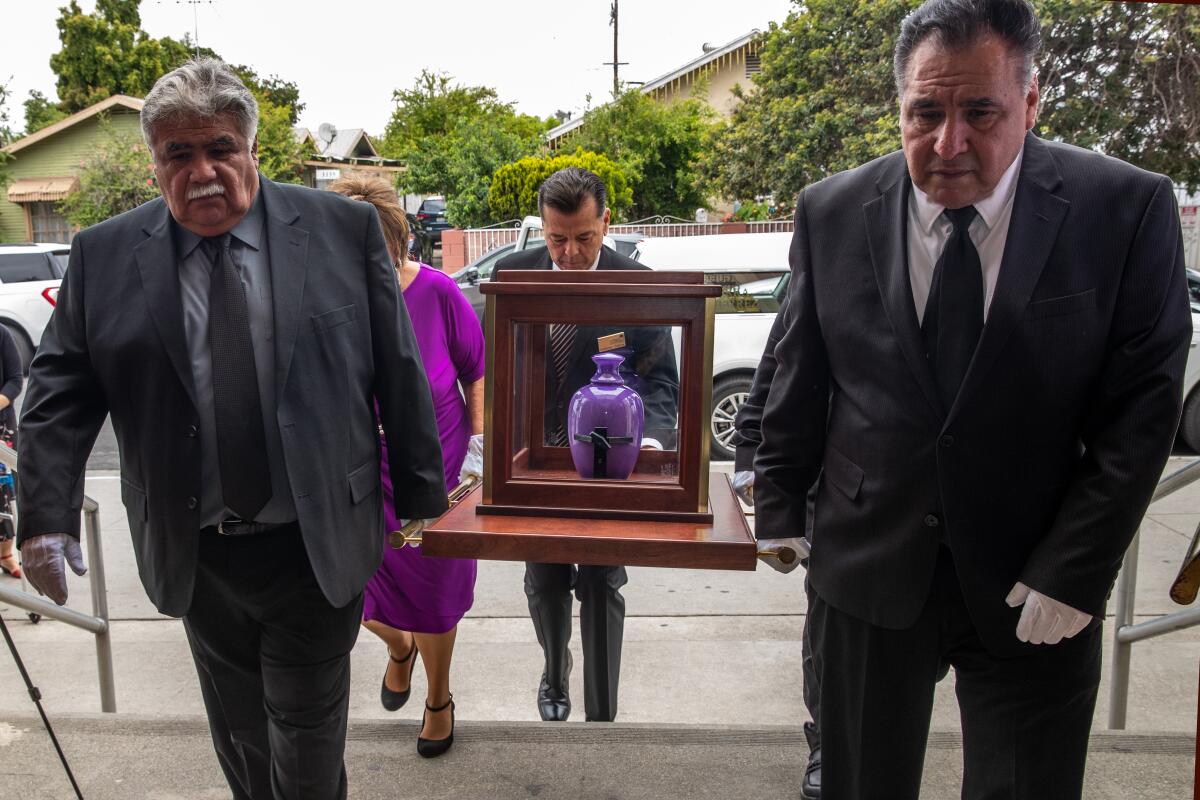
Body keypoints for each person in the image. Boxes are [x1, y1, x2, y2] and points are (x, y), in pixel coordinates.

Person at [753, 1, 1191, 797]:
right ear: (900, 107)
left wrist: (1077, 568)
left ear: (1030, 102)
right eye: (926, 112)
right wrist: (778, 501)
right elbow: (800, 368)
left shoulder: (1123, 210)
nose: (949, 143)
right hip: (866, 563)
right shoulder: (831, 210)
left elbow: (1143, 410)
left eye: (979, 112)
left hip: (1036, 576)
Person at [16, 58, 446, 800]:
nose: (203, 171)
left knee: (307, 740)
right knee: (243, 738)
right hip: (197, 551)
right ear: (155, 165)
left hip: (316, 544)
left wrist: (419, 491)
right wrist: (44, 517)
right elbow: (59, 387)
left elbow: (395, 363)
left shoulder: (341, 230)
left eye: (219, 148)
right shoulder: (106, 255)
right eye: (178, 155)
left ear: (253, 151)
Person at [493, 167, 679, 722]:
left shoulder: (635, 282)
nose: (569, 253)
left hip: (608, 460)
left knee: (601, 581)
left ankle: (603, 709)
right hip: (534, 459)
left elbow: (662, 380)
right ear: (543, 229)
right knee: (544, 577)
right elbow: (501, 367)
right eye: (556, 239)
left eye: (583, 238)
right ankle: (555, 669)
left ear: (605, 223)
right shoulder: (514, 273)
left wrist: (648, 441)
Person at [329, 174, 484, 758]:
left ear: (398, 246)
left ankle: (439, 699)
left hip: (437, 473)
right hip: (357, 476)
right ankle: (399, 647)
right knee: (354, 592)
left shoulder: (440, 293)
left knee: (437, 596)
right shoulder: (329, 302)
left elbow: (476, 370)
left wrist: (479, 442)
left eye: (383, 257)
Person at [0, 324, 22, 578]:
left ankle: (5, 554)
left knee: (3, 493)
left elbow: (15, 381)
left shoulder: (3, 334)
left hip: (2, 426)